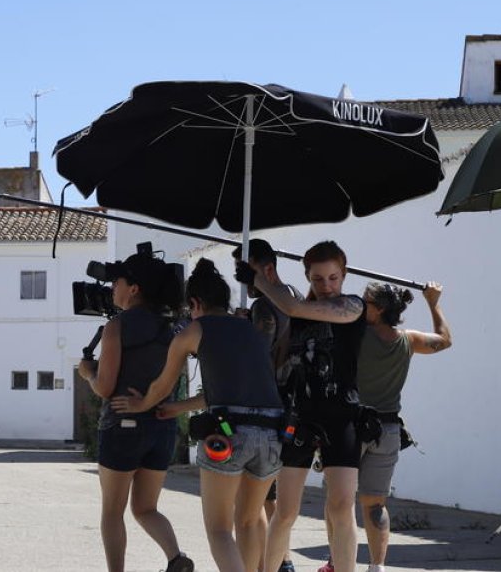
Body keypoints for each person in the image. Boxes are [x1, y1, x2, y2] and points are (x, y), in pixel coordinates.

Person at [114, 259, 284, 572]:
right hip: (273, 432)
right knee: (248, 520)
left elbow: (162, 384)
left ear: (195, 303)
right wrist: (178, 408)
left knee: (219, 529)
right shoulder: (250, 330)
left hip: (228, 434)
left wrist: (141, 405)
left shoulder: (194, 330)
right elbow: (230, 394)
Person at [237, 241, 366, 572]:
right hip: (301, 417)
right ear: (307, 277)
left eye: (333, 278)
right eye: (318, 279)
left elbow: (291, 306)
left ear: (345, 274)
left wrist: (260, 281)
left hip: (342, 416)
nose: (327, 287)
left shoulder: (353, 306)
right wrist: (249, 330)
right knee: (285, 512)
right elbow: (279, 358)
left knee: (341, 506)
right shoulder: (298, 318)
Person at [77, 252, 194, 572]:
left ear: (134, 289)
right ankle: (176, 559)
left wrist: (87, 371)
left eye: (118, 281)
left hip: (121, 425)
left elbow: (104, 386)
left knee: (112, 511)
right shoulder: (175, 327)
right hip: (162, 426)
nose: (113, 287)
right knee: (145, 507)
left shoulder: (117, 326)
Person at [349, 281, 451, 572]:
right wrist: (433, 303)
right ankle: (377, 567)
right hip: (388, 430)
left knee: (339, 502)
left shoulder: (356, 335)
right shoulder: (408, 340)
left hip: (354, 427)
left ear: (379, 309)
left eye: (365, 301)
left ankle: (338, 562)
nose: (360, 303)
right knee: (375, 505)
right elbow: (445, 339)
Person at [231, 240, 302, 572]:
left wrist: (241, 330)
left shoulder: (263, 307)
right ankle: (282, 559)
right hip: (296, 404)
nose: (241, 280)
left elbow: (258, 358)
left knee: (257, 497)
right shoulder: (296, 297)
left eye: (244, 272)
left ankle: (274, 563)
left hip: (267, 406)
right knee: (274, 496)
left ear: (267, 269)